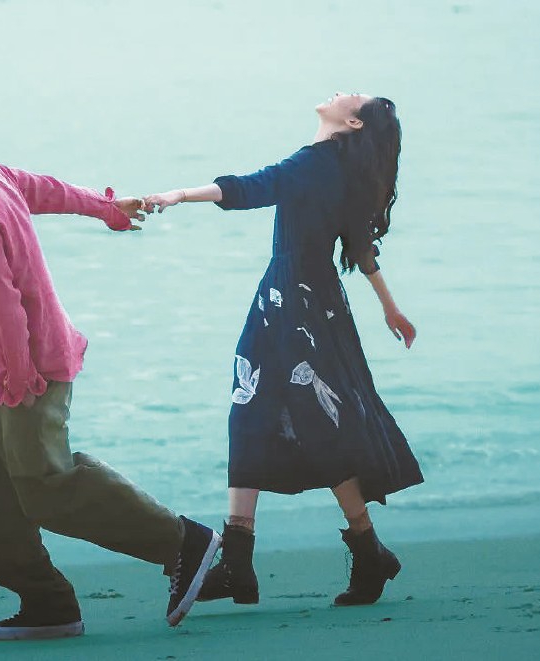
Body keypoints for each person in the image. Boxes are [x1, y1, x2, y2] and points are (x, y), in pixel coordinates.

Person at [0, 85, 220, 641]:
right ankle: (46, 603)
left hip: (29, 363)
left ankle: (184, 543)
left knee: (46, 484)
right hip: (1, 360)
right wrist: (107, 208)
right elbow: (43, 189)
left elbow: (5, 302)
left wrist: (19, 374)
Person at [143, 92, 423, 608]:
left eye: (351, 97)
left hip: (291, 301)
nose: (340, 92)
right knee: (268, 412)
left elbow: (252, 187)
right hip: (309, 302)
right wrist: (391, 308)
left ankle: (357, 552)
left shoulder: (313, 163)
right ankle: (249, 559)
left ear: (352, 121)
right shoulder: (344, 169)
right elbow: (360, 247)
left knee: (283, 415)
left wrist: (178, 195)